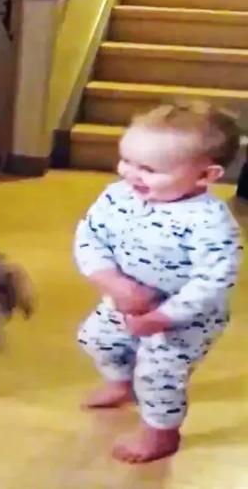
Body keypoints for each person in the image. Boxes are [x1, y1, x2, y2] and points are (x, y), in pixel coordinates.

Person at [75, 101, 244, 463]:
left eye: (149, 169)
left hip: (185, 319)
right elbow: (90, 238)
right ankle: (121, 384)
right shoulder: (118, 195)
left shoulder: (210, 224)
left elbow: (214, 281)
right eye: (127, 160)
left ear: (205, 176)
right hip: (123, 297)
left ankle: (161, 433)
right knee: (95, 339)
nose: (130, 174)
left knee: (159, 373)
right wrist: (112, 282)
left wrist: (162, 318)